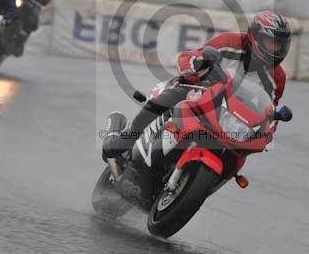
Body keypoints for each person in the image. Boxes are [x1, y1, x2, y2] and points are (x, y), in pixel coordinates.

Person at [103, 10, 292, 159]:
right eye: (272, 43)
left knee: (239, 150)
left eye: (280, 45)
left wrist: (268, 130)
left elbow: (270, 109)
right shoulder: (230, 42)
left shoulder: (277, 77)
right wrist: (189, 72)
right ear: (255, 36)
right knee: (170, 98)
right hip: (198, 89)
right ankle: (126, 139)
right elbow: (191, 56)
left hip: (230, 114)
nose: (277, 49)